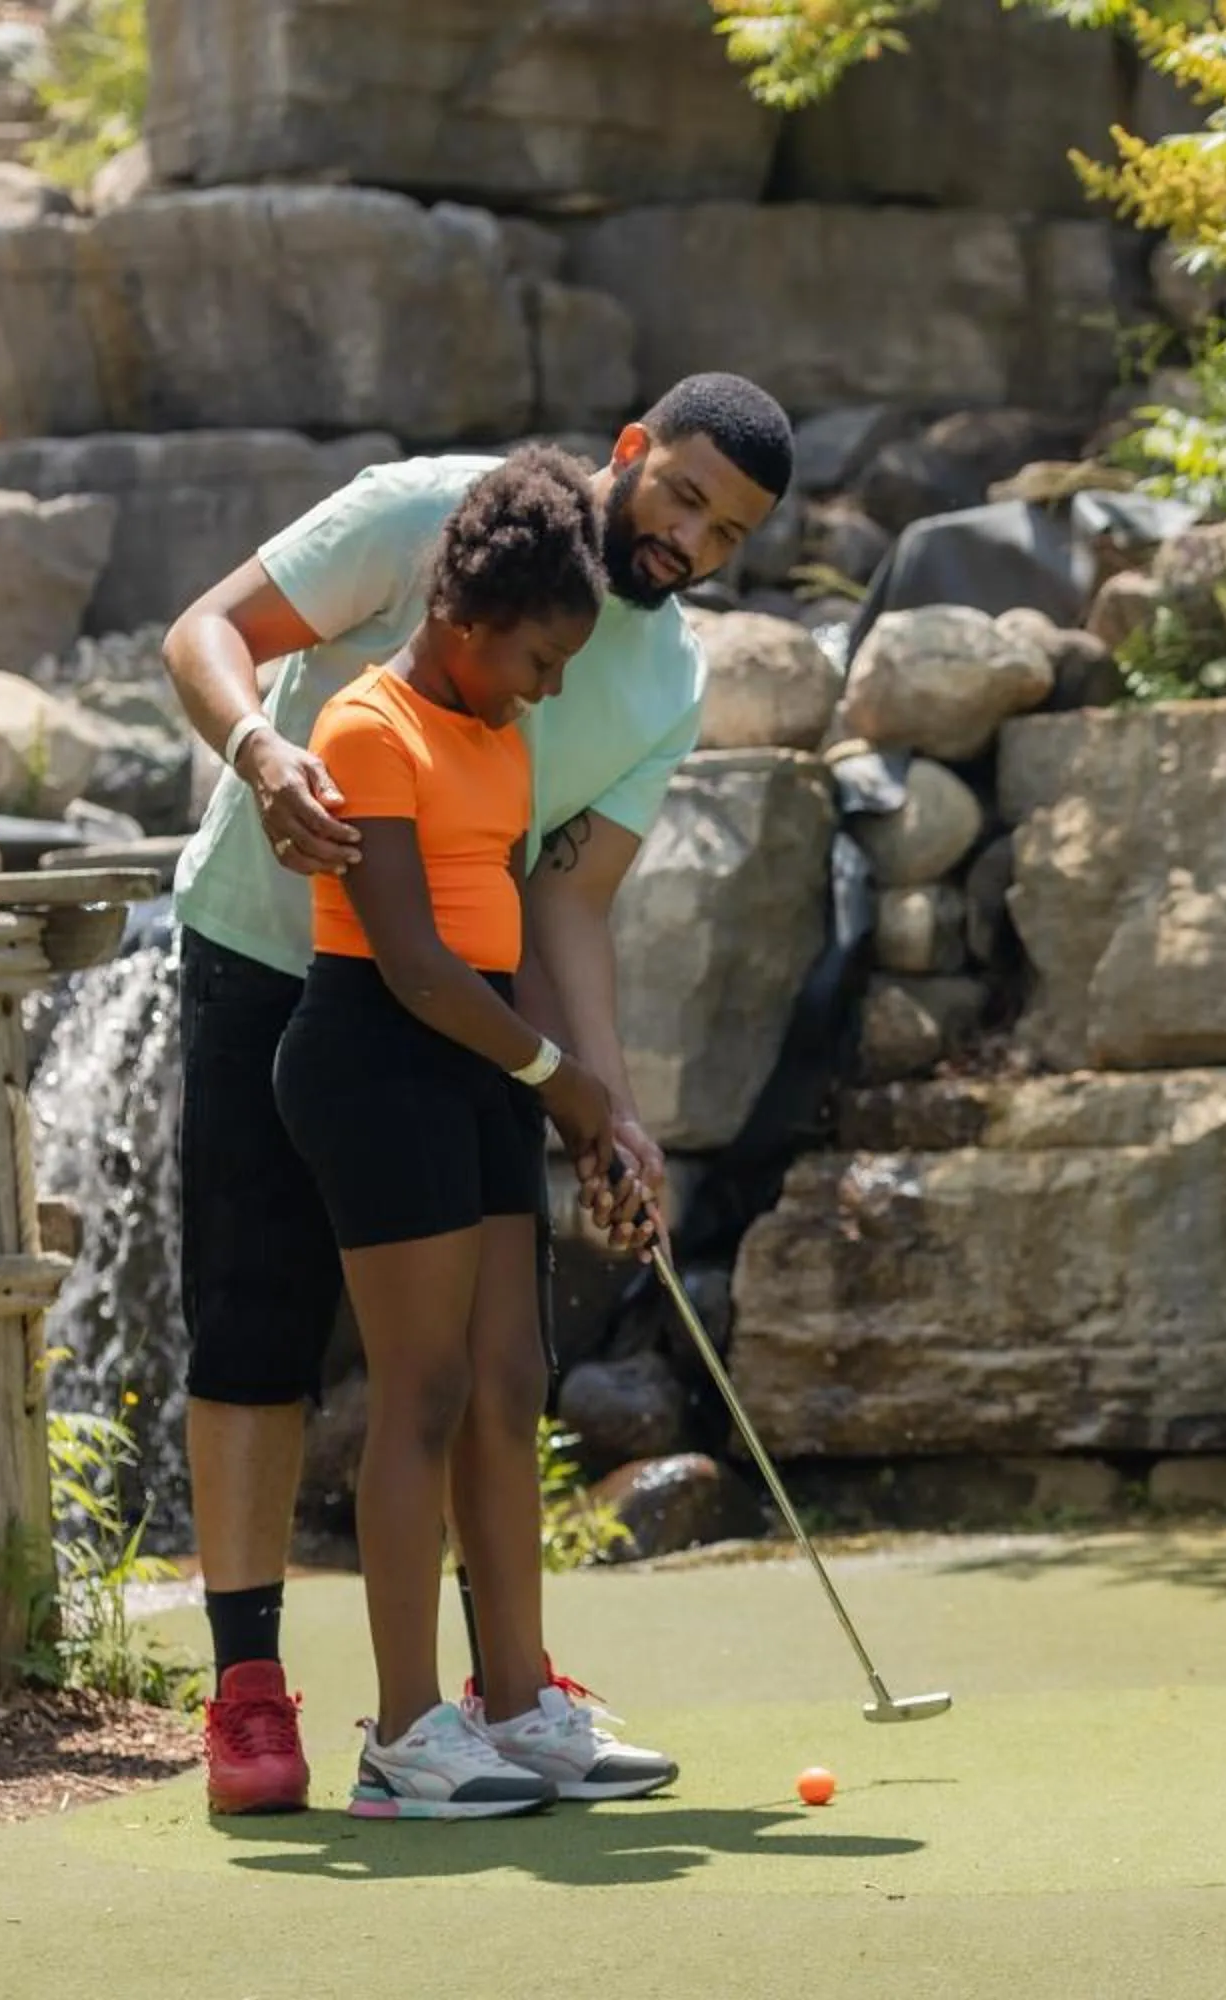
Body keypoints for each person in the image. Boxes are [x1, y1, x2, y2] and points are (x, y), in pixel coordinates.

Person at [163, 376, 794, 1814]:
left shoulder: (670, 680)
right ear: (631, 451)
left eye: (726, 534)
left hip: (474, 1017)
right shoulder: (418, 517)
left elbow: (569, 907)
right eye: (682, 494)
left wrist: (610, 1113)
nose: (690, 540)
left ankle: (512, 1698)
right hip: (277, 957)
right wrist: (262, 751)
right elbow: (206, 633)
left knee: (493, 1372)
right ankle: (252, 1691)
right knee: (256, 1317)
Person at [271, 447, 617, 1816]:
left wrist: (577, 1090)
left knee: (507, 1377)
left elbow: (513, 929)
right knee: (417, 1390)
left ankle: (521, 1706)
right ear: (465, 622)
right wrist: (557, 1078)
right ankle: (405, 1733)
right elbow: (413, 960)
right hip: (377, 1054)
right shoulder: (370, 729)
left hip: (479, 1063)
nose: (551, 687)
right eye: (536, 658)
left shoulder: (500, 733)